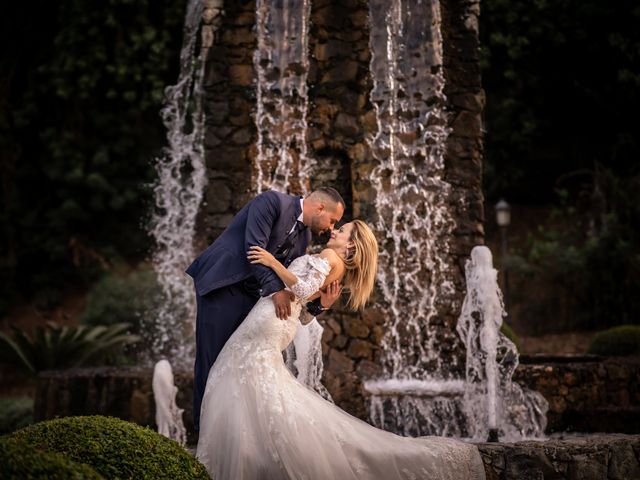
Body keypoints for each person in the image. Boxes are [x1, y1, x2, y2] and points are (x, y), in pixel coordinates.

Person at [196, 220, 486, 480]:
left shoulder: (330, 256)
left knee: (235, 373)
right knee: (253, 383)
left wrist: (272, 262)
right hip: (280, 320)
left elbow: (301, 288)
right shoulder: (336, 265)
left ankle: (246, 460)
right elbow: (305, 309)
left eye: (343, 229)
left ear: (351, 246)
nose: (335, 230)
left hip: (271, 319)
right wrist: (321, 305)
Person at [186, 187, 345, 431]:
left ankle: (229, 432)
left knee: (234, 363)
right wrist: (276, 292)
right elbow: (254, 249)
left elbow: (293, 286)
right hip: (224, 283)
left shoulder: (305, 238)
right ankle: (201, 432)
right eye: (333, 221)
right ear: (320, 208)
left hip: (254, 299)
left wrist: (320, 304)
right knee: (212, 358)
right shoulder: (272, 202)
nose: (332, 228)